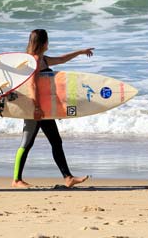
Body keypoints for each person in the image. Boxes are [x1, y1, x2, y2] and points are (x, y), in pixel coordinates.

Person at [12, 29, 94, 188]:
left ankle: (68, 177)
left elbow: (62, 59)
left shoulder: (42, 59)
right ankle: (16, 180)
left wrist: (80, 52)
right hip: (35, 109)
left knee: (55, 141)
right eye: (47, 40)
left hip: (43, 109)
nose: (49, 43)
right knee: (27, 142)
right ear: (43, 43)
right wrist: (36, 108)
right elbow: (32, 85)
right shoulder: (34, 61)